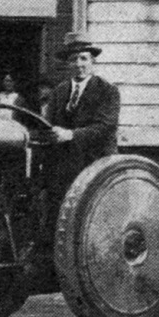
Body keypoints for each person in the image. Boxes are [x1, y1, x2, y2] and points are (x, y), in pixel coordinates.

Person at [45, 31, 120, 201]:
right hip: (64, 170)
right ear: (67, 64)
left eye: (83, 58)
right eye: (73, 59)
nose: (78, 64)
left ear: (93, 61)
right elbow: (49, 124)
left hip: (96, 167)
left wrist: (70, 134)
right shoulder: (59, 91)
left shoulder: (107, 91)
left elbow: (104, 127)